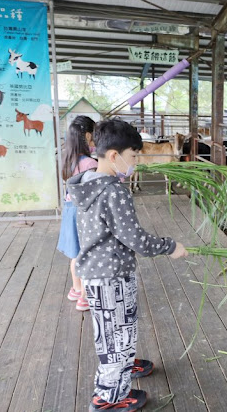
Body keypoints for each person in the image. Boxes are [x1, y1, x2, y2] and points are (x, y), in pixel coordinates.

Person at [68, 119, 188, 411]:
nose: (135, 162)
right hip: (113, 277)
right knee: (118, 336)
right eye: (133, 156)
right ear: (113, 156)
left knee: (111, 332)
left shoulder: (87, 183)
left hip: (97, 276)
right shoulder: (113, 191)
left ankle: (122, 369)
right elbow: (136, 239)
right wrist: (170, 246)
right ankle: (109, 398)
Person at [57, 115, 98, 312]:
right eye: (94, 136)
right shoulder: (89, 163)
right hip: (82, 212)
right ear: (88, 135)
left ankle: (75, 289)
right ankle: (84, 297)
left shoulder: (68, 159)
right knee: (85, 255)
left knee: (75, 254)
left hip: (69, 209)